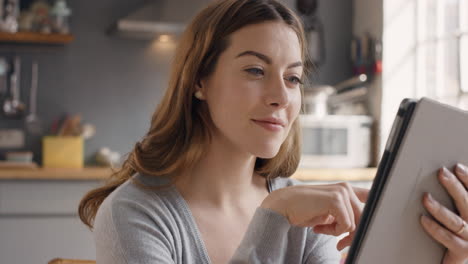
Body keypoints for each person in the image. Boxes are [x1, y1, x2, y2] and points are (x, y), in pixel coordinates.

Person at [78, 0, 468, 263]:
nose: (281, 97)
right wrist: (272, 218)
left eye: (294, 78)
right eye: (254, 70)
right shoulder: (136, 214)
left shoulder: (300, 205)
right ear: (199, 81)